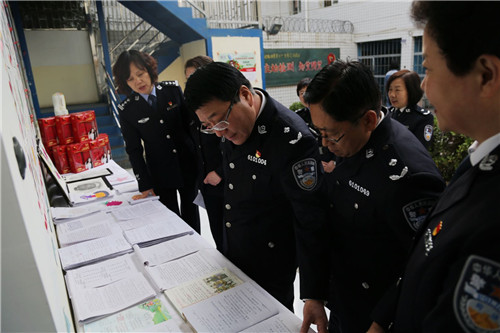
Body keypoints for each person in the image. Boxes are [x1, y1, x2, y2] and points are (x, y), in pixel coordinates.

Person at [368, 2, 500, 332]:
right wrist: (383, 318)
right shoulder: (480, 159)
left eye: (428, 67)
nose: (424, 85)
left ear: (486, 75)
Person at [300, 60, 445, 333]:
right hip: (342, 297)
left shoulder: (409, 175)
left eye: (331, 135)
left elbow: (423, 263)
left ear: (367, 119)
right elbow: (324, 219)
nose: (324, 144)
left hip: (378, 315)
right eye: (320, 133)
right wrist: (314, 293)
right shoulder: (348, 139)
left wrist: (381, 321)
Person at [184, 62, 330, 311]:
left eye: (219, 121)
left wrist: (313, 294)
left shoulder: (291, 138)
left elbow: (311, 220)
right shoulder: (234, 126)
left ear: (244, 95)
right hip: (234, 252)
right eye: (209, 127)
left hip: (271, 265)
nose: (220, 134)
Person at [113, 50, 200, 232]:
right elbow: (134, 149)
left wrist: (201, 162)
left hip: (187, 165)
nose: (138, 81)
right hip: (160, 172)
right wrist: (144, 184)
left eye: (140, 74)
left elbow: (191, 127)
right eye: (130, 79)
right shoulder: (127, 109)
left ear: (150, 71)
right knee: (169, 218)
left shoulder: (172, 90)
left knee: (192, 213)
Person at [184, 55, 225, 251]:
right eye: (188, 79)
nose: (192, 84)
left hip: (226, 180)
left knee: (232, 236)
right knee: (217, 232)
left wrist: (220, 172)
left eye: (196, 77)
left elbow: (237, 147)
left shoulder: (222, 109)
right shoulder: (192, 111)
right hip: (207, 183)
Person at [296, 77, 336, 173]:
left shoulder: (331, 113)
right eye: (302, 93)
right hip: (310, 165)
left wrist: (334, 162)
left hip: (331, 163)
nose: (305, 96)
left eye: (308, 91)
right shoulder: (298, 117)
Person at [387, 69, 434, 149]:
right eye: (390, 89)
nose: (392, 95)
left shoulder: (423, 118)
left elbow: (420, 150)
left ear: (411, 91)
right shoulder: (387, 113)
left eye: (397, 90)